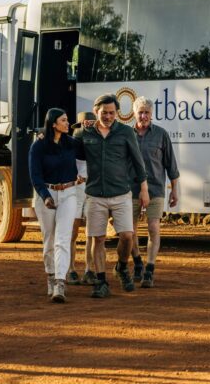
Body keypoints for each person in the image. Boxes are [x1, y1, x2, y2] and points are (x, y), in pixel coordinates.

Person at [75, 93, 149, 298]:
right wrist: (45, 135)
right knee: (97, 238)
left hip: (121, 194)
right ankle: (100, 281)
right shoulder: (84, 133)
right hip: (95, 195)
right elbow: (67, 150)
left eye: (111, 113)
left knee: (127, 236)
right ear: (96, 111)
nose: (108, 116)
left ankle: (122, 267)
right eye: (104, 112)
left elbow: (138, 163)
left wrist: (144, 189)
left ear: (117, 113)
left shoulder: (126, 132)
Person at [29, 108, 83, 303]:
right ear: (53, 124)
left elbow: (89, 152)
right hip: (47, 192)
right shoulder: (38, 146)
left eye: (67, 120)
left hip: (69, 193)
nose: (67, 123)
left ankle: (60, 282)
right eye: (63, 120)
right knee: (49, 239)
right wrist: (44, 196)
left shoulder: (72, 143)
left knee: (63, 238)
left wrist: (87, 128)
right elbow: (35, 175)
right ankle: (50, 275)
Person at [128, 96, 179, 288]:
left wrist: (174, 190)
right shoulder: (126, 134)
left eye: (147, 112)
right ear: (134, 113)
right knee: (130, 231)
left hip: (155, 188)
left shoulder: (161, 135)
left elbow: (171, 165)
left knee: (153, 227)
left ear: (151, 114)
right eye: (140, 112)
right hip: (130, 189)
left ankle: (149, 268)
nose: (144, 116)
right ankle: (137, 262)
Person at [67, 111, 97, 286]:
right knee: (73, 232)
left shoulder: (98, 143)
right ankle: (71, 269)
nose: (87, 128)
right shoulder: (72, 144)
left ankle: (89, 269)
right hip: (75, 190)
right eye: (85, 124)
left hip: (92, 190)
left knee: (91, 233)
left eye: (92, 124)